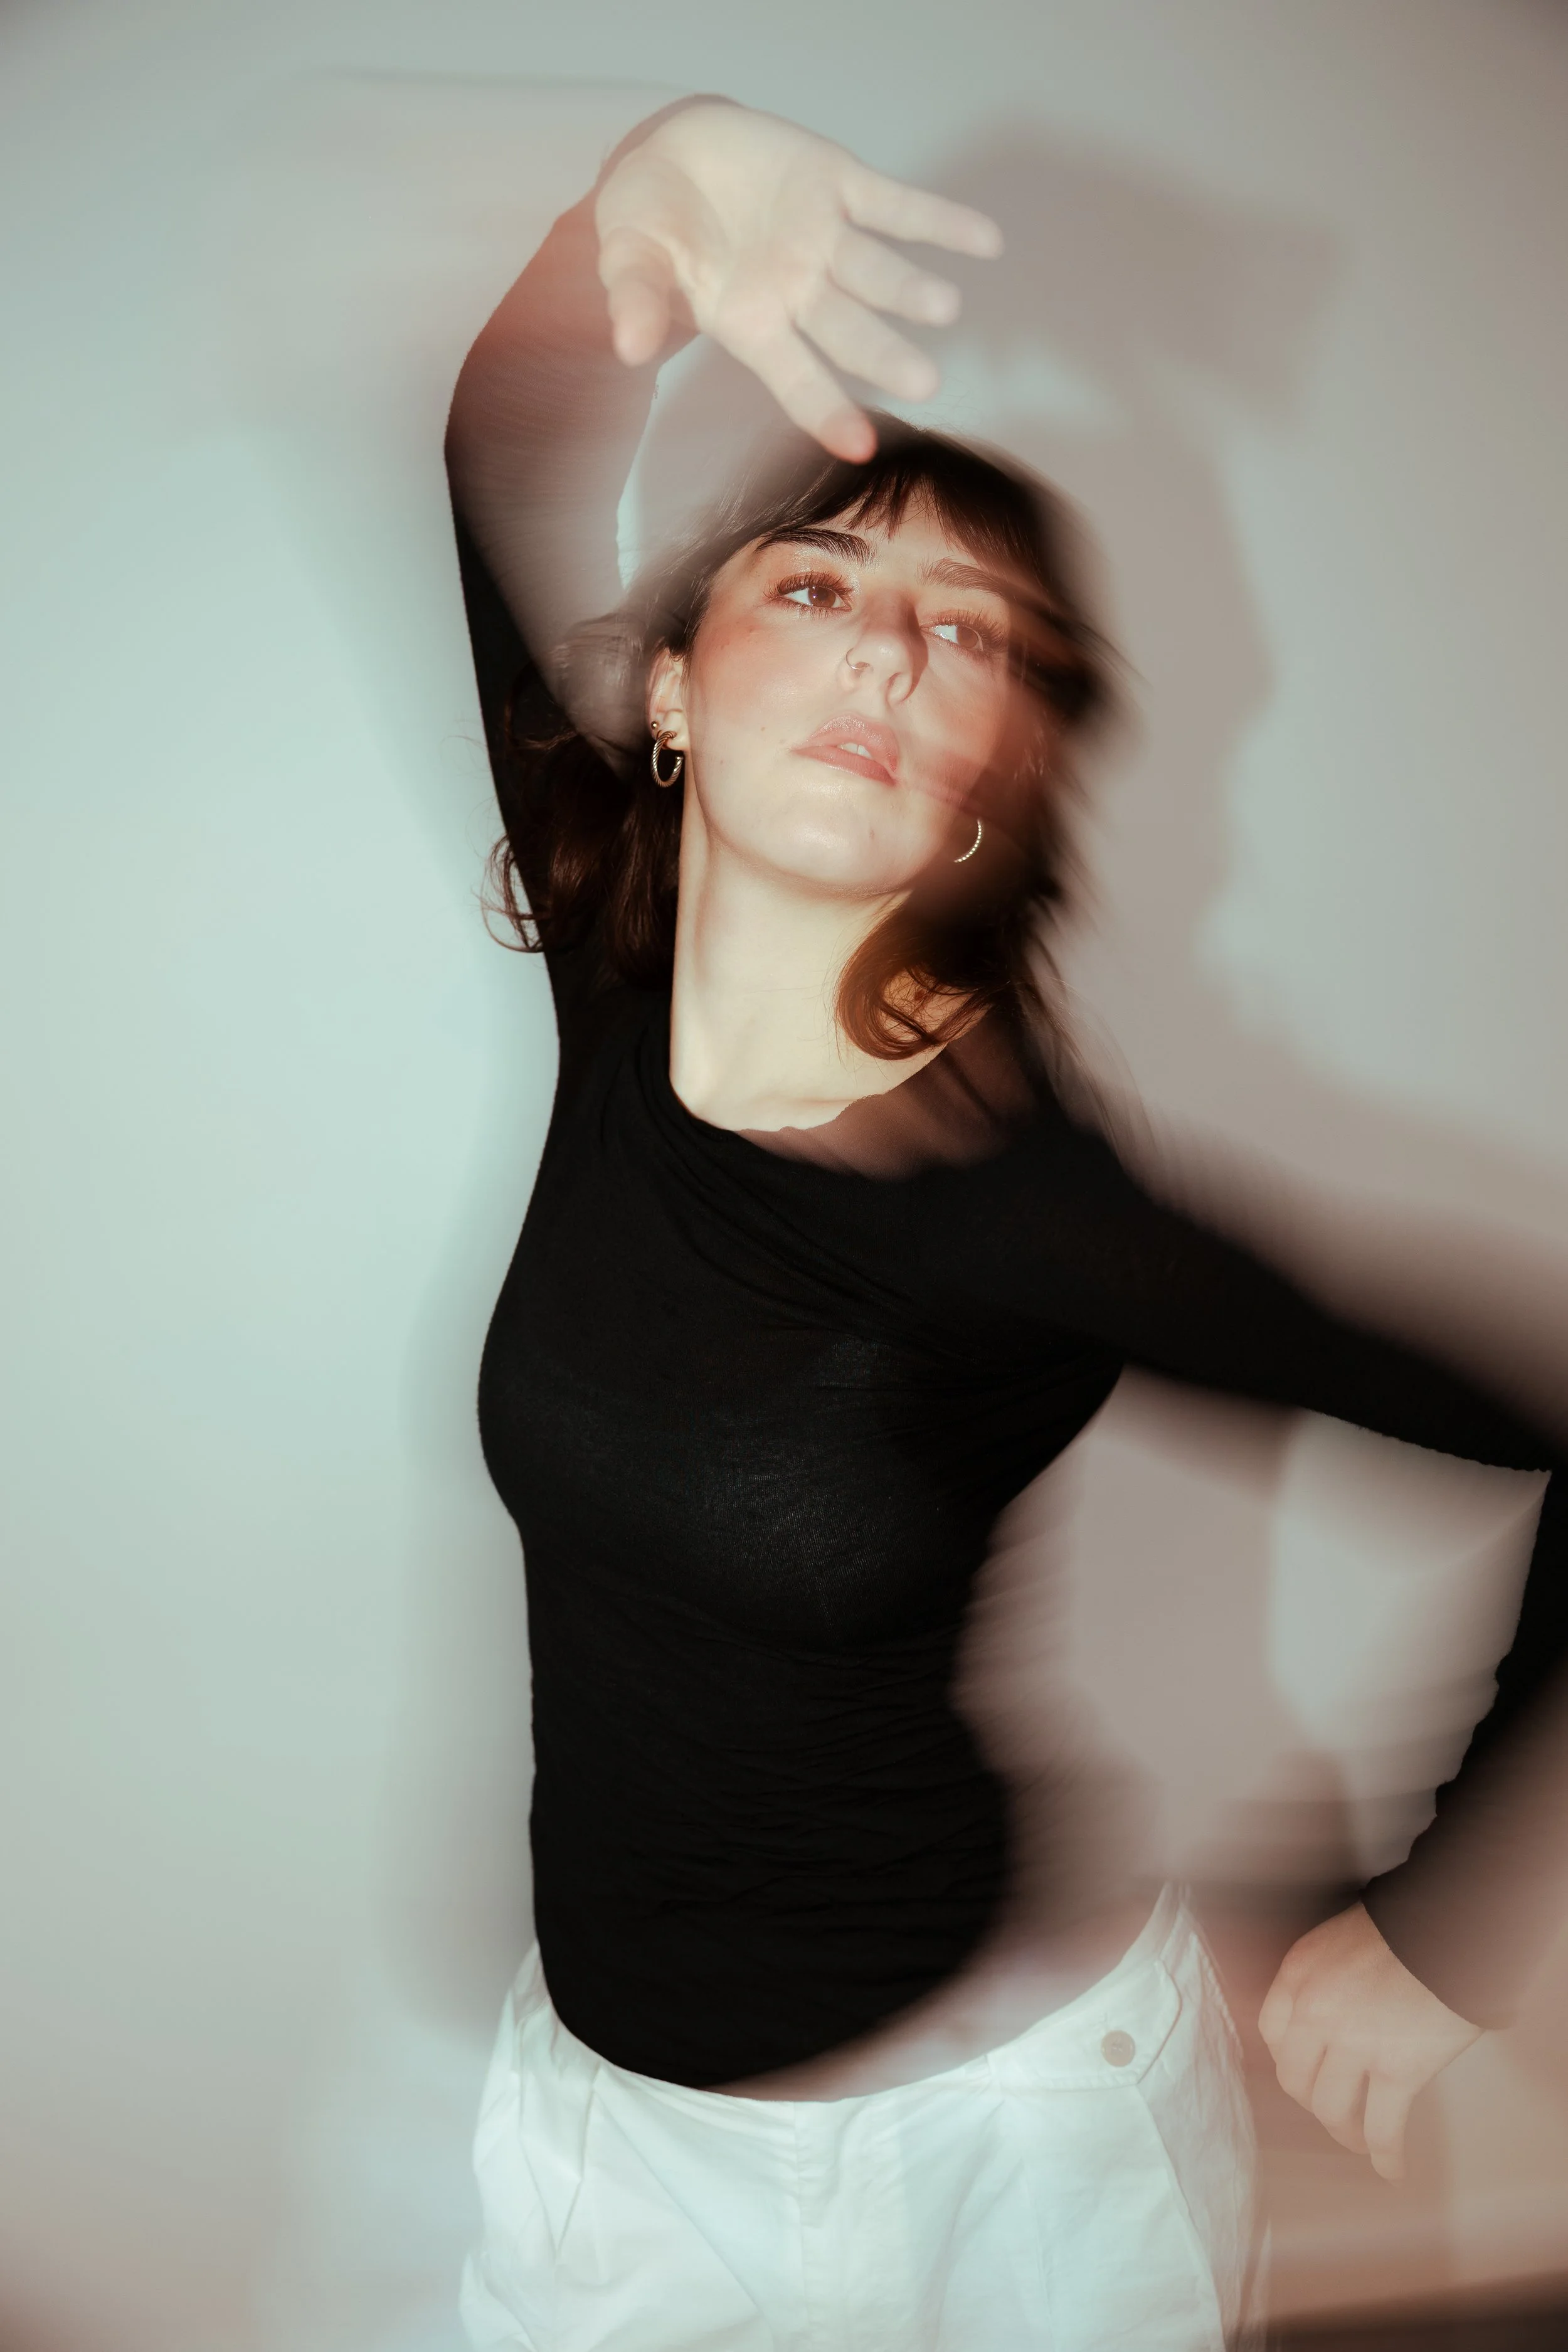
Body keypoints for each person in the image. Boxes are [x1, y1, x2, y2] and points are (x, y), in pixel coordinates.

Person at [442, 95, 1565, 2352]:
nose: (886, 657)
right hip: (614, 2149)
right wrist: (621, 213)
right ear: (667, 693)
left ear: (988, 791)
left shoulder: (1019, 1213)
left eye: (969, 637)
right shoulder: (610, 986)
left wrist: (1436, 1916)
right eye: (820, 586)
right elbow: (486, 464)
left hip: (1008, 2150)